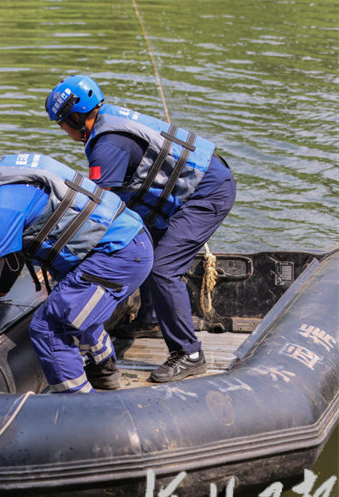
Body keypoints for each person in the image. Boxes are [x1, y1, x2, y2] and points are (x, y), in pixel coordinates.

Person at [0, 134, 153, 393]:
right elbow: (15, 251)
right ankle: (103, 372)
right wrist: (1, 292)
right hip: (128, 239)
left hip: (119, 253)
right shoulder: (12, 171)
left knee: (49, 326)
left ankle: (78, 407)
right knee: (73, 303)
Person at [45, 74, 236, 383]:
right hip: (192, 189)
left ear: (77, 117)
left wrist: (58, 258)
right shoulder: (107, 124)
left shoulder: (106, 145)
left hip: (207, 191)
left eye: (62, 123)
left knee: (162, 268)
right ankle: (147, 318)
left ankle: (189, 353)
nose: (63, 130)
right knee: (142, 241)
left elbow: (97, 214)